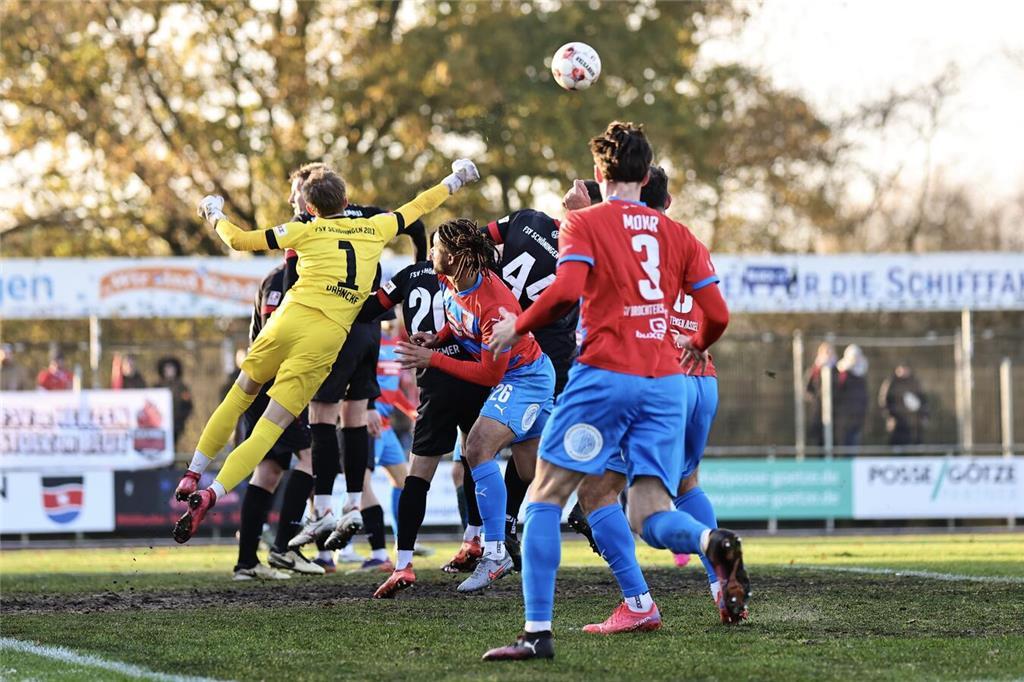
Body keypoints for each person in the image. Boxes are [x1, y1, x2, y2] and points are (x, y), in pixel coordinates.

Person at [482, 121, 748, 661]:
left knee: (543, 497)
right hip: (668, 383)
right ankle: (708, 543)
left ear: (600, 174)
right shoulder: (681, 236)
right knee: (649, 513)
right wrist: (698, 341)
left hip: (604, 377)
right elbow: (718, 313)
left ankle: (536, 632)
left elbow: (567, 291)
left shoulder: (585, 222)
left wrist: (518, 326)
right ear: (647, 174)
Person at [171, 158, 478, 544]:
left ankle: (193, 472)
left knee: (239, 395)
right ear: (346, 198)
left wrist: (213, 212)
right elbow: (419, 205)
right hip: (326, 337)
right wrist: (456, 178)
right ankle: (211, 494)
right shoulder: (375, 226)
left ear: (310, 206)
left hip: (287, 321)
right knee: (269, 428)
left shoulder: (304, 228)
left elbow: (239, 240)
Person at [563, 165, 738, 631]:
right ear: (669, 201)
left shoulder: (627, 237)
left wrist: (582, 217)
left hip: (657, 377)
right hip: (703, 374)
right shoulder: (687, 239)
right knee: (687, 482)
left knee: (598, 490)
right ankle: (720, 584)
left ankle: (639, 603)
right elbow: (715, 310)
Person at [389, 220, 556, 594]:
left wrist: (432, 360)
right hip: (526, 375)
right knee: (532, 471)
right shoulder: (453, 281)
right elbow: (459, 323)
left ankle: (494, 552)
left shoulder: (494, 305)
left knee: (476, 447)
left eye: (435, 248)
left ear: (455, 257)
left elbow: (487, 374)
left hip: (524, 380)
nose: (430, 253)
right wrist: (436, 340)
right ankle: (526, 540)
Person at [284, 162, 431, 562]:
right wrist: (420, 267)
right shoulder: (368, 215)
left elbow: (290, 284)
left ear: (310, 202)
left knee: (320, 416)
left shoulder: (306, 228)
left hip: (336, 326)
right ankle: (351, 504)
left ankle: (327, 510)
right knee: (352, 418)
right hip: (369, 326)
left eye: (298, 193)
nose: (295, 200)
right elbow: (416, 222)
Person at [355, 256, 492, 598]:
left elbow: (372, 307)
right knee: (475, 456)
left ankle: (404, 563)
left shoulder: (410, 274)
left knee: (418, 476)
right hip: (475, 376)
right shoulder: (475, 273)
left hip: (435, 381)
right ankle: (476, 539)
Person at [479, 200, 581, 570]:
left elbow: (479, 239)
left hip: (505, 338)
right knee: (519, 446)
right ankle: (587, 501)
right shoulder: (589, 247)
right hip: (548, 354)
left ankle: (496, 532)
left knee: (502, 446)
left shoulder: (528, 219)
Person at [233, 250, 322, 580]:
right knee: (312, 457)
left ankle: (246, 564)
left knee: (268, 471)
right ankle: (285, 548)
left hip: (266, 381)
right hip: (278, 384)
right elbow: (278, 333)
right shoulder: (284, 281)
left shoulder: (287, 279)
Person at [879, 363, 929, 446]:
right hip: (897, 420)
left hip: (912, 421)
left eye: (905, 369)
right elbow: (884, 401)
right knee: (897, 444)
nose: (903, 371)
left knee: (913, 443)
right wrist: (889, 415)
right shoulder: (891, 383)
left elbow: (922, 400)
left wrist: (923, 414)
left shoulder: (914, 383)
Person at [834, 344, 869, 447]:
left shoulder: (861, 376)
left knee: (853, 446)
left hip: (857, 419)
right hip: (844, 420)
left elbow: (864, 398)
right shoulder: (843, 374)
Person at [157, 356, 193, 448]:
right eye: (167, 368)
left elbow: (188, 406)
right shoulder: (157, 387)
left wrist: (181, 419)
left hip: (176, 425)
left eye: (171, 368)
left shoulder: (182, 387)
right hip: (159, 425)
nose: (169, 370)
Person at [805, 342, 836, 447]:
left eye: (829, 352)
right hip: (817, 410)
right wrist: (817, 398)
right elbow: (807, 389)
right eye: (825, 352)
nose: (828, 355)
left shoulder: (837, 370)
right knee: (818, 438)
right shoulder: (814, 370)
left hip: (834, 411)